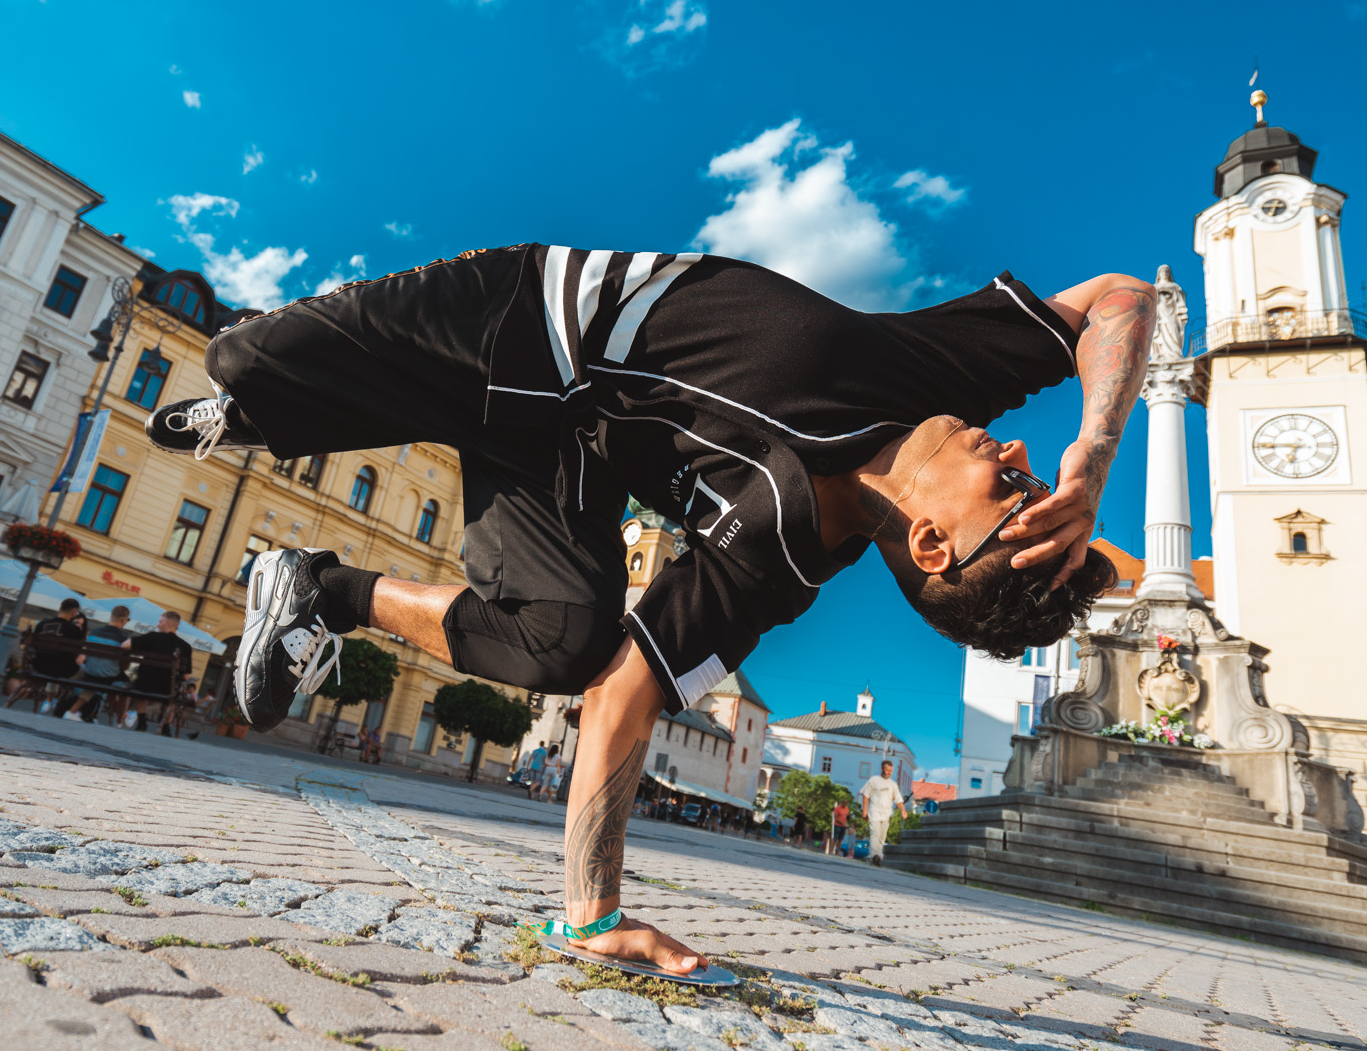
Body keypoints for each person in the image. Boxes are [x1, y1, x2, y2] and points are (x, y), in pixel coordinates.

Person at [146, 242, 1151, 973]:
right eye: (1032, 480)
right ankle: (278, 402)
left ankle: (320, 589)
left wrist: (590, 914)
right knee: (237, 362)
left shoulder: (781, 554)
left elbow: (625, 694)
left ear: (931, 543)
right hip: (518, 313)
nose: (1020, 454)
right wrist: (1095, 455)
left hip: (556, 458)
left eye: (1012, 490)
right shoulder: (944, 374)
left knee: (562, 644)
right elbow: (1121, 296)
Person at [5, 600, 86, 712]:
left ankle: (50, 700)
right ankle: (74, 709)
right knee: (88, 675)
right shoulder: (74, 630)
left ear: (60, 609)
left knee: (55, 664)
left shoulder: (41, 625)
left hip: (38, 667)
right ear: (74, 611)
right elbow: (76, 653)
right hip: (63, 671)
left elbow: (34, 648)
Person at [60, 605, 134, 723]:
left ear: (111, 616)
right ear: (123, 620)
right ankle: (121, 719)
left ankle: (73, 711)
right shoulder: (123, 639)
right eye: (127, 620)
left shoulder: (93, 633)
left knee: (98, 680)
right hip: (107, 676)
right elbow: (125, 666)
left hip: (90, 671)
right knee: (125, 686)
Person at [124, 611, 194, 733]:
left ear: (169, 624)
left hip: (144, 685)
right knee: (175, 694)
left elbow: (124, 645)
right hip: (168, 689)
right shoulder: (185, 647)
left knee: (140, 686)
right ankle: (165, 726)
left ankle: (141, 722)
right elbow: (186, 676)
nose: (157, 625)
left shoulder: (152, 637)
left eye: (160, 622)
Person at [859, 761, 908, 868]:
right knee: (875, 834)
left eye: (891, 771)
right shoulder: (874, 780)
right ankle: (872, 856)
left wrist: (903, 810)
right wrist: (864, 810)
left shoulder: (893, 785)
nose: (889, 773)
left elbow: (898, 800)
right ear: (882, 769)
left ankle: (878, 858)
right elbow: (866, 795)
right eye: (887, 770)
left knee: (882, 837)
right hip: (874, 812)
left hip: (886, 815)